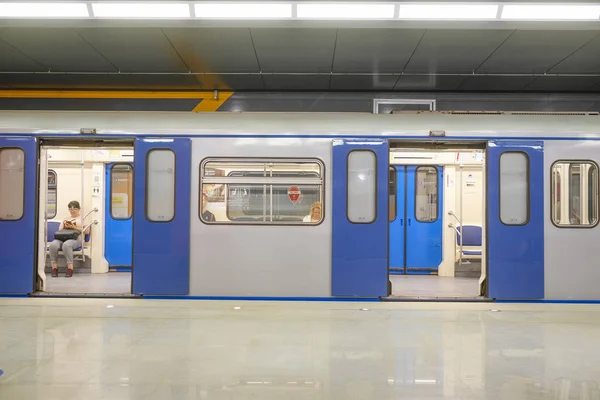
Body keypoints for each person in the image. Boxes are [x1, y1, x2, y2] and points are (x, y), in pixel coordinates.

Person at [48, 201, 90, 278]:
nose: (72, 211)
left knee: (67, 245)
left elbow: (87, 231)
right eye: (70, 209)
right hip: (63, 237)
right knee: (53, 245)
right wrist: (65, 226)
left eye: (75, 209)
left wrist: (74, 227)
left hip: (77, 239)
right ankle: (54, 267)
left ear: (79, 209)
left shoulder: (83, 218)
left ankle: (70, 268)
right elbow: (59, 230)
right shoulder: (66, 219)